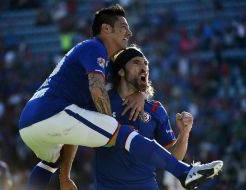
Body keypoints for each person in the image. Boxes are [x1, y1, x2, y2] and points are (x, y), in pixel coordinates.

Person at [18, 4, 223, 190]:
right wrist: (110, 125)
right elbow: (97, 89)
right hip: (50, 113)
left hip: (32, 123)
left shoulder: (151, 107)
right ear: (106, 29)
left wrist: (65, 177)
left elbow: (74, 128)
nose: (129, 32)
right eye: (123, 27)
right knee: (118, 131)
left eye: (146, 65)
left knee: (49, 162)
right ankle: (185, 173)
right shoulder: (94, 47)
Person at [94, 46, 222, 190]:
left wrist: (184, 134)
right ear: (121, 71)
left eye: (146, 63)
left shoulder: (155, 109)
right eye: (136, 62)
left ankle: (186, 172)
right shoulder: (103, 102)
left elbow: (174, 158)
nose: (144, 68)